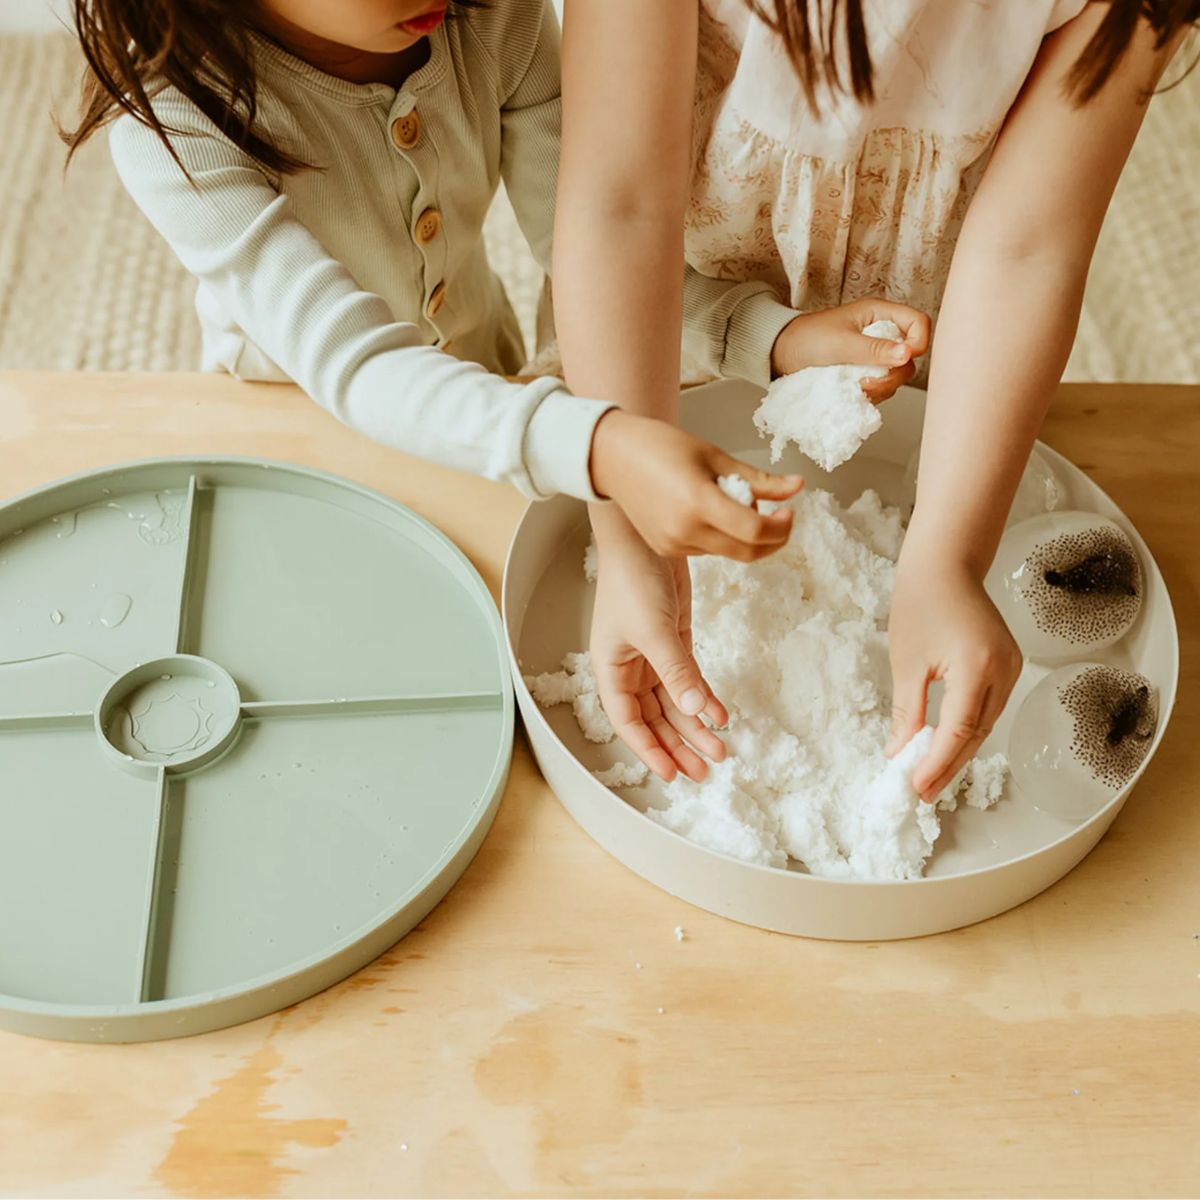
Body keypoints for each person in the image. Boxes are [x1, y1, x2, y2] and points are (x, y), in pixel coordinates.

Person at [554, 0, 1195, 792]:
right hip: (654, 331)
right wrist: (626, 540)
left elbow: (1028, 251)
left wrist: (948, 556)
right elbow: (619, 208)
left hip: (930, 342)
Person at [62, 0, 912, 530]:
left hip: (479, 364)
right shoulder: (171, 120)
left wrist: (771, 338)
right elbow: (355, 366)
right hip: (291, 422)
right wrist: (599, 444)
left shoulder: (491, 17)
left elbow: (598, 255)